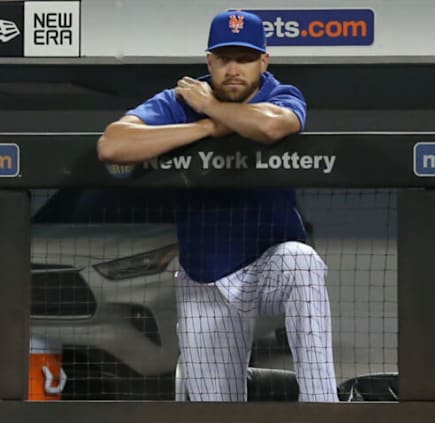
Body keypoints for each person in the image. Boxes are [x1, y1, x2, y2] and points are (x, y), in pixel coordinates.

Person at [97, 10, 339, 402]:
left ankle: (323, 408)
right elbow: (113, 145)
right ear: (209, 61)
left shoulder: (280, 93)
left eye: (244, 59)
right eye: (224, 58)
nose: (233, 69)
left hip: (269, 266)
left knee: (302, 261)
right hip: (205, 276)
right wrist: (206, 127)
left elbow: (272, 126)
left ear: (263, 61)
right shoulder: (180, 101)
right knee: (216, 408)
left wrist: (211, 108)